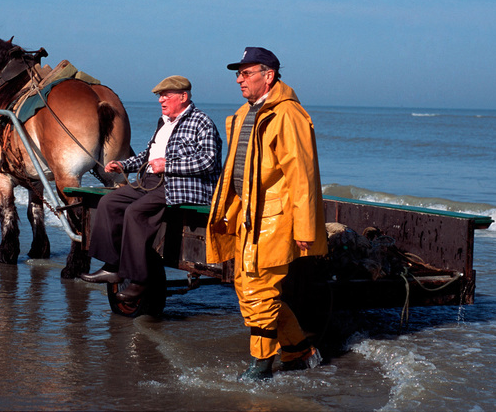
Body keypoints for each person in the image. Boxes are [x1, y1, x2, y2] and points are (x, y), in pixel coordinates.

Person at [206, 47, 327, 381]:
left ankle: (262, 364)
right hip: (248, 217)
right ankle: (300, 350)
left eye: (246, 73)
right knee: (248, 288)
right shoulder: (247, 113)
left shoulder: (288, 114)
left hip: (275, 219)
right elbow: (237, 170)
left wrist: (305, 227)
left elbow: (301, 175)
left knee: (260, 291)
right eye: (238, 74)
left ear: (268, 75)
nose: (239, 80)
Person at [81, 75, 223, 303]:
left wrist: (169, 165)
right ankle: (113, 265)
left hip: (181, 186)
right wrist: (122, 164)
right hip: (150, 181)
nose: (161, 100)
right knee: (109, 203)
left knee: (136, 213)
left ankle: (139, 279)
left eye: (166, 95)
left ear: (184, 97)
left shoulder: (202, 122)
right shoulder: (163, 123)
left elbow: (209, 161)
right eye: (159, 96)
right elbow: (147, 156)